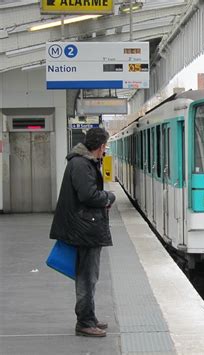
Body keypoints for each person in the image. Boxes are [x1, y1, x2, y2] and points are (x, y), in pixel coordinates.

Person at [49, 128, 116, 337]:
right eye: (104, 146)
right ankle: (85, 322)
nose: (105, 150)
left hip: (85, 226)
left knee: (89, 275)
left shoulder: (82, 162)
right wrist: (109, 197)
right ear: (99, 146)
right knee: (87, 277)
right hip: (84, 228)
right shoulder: (80, 164)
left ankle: (90, 317)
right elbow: (88, 195)